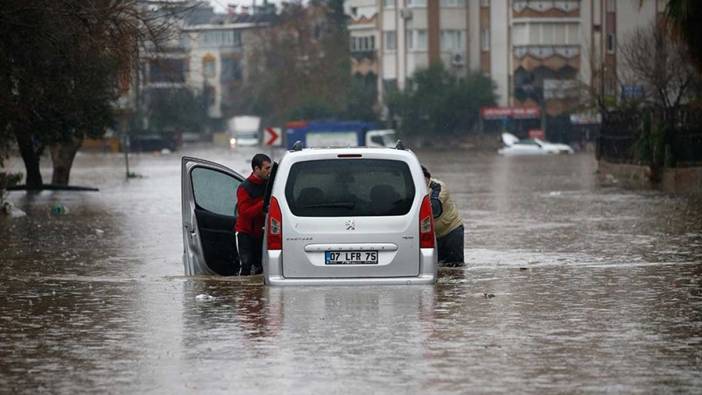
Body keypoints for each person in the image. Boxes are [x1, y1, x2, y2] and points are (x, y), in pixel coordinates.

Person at [236, 153, 272, 275]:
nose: (269, 171)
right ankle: (246, 292)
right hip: (245, 234)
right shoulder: (244, 188)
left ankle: (260, 294)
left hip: (262, 233)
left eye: (270, 168)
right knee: (246, 266)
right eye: (267, 168)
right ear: (257, 169)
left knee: (261, 267)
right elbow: (244, 213)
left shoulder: (270, 185)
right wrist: (263, 203)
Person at [422, 165, 465, 267]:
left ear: (427, 177)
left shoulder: (438, 186)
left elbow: (435, 209)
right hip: (432, 236)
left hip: (451, 231)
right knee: (436, 268)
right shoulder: (411, 189)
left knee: (454, 268)